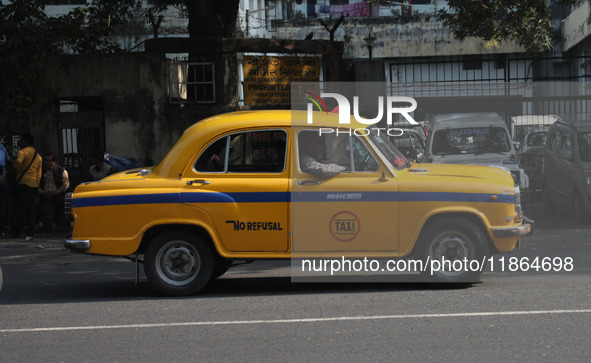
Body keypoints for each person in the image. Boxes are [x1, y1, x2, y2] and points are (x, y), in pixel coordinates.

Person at [11, 133, 43, 241]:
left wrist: (14, 166)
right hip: (33, 185)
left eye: (21, 140)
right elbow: (39, 173)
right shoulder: (38, 155)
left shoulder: (22, 152)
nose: (19, 143)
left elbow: (18, 163)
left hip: (23, 184)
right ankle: (31, 232)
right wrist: (36, 183)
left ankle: (16, 232)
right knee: (31, 210)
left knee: (20, 209)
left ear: (25, 142)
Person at [37, 153, 70, 233]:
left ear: (54, 161)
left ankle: (55, 223)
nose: (47, 163)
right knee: (35, 202)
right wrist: (43, 192)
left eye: (49, 161)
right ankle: (41, 223)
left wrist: (55, 192)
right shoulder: (41, 171)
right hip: (44, 193)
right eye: (46, 160)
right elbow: (36, 184)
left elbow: (66, 184)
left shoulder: (61, 170)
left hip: (56, 194)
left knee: (59, 202)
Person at [0, 143, 10, 236]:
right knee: (2, 206)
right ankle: (1, 229)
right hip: (1, 181)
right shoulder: (3, 149)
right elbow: (7, 160)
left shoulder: (2, 150)